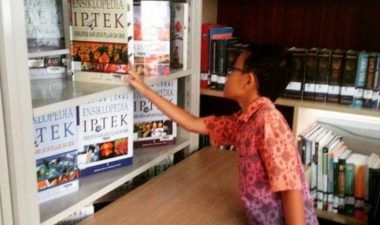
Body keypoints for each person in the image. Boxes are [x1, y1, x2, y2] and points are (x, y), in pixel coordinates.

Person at [124, 43, 318, 225]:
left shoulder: (269, 122)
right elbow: (192, 123)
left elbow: (291, 190)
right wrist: (144, 89)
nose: (227, 75)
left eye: (233, 70)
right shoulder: (245, 120)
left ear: (248, 81)